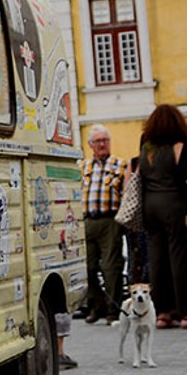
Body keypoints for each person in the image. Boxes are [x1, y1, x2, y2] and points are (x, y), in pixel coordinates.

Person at [136, 104, 187, 328]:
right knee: (180, 259)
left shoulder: (146, 146)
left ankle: (162, 312)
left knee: (157, 259)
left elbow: (139, 176)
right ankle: (186, 313)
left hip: (149, 206)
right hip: (173, 204)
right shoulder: (180, 145)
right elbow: (185, 174)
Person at [80, 125, 127, 324]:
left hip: (110, 220)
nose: (102, 144)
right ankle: (95, 305)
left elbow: (126, 193)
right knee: (88, 267)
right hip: (88, 220)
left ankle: (112, 310)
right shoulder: (83, 166)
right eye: (98, 141)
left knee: (111, 267)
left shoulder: (120, 165)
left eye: (105, 140)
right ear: (90, 145)